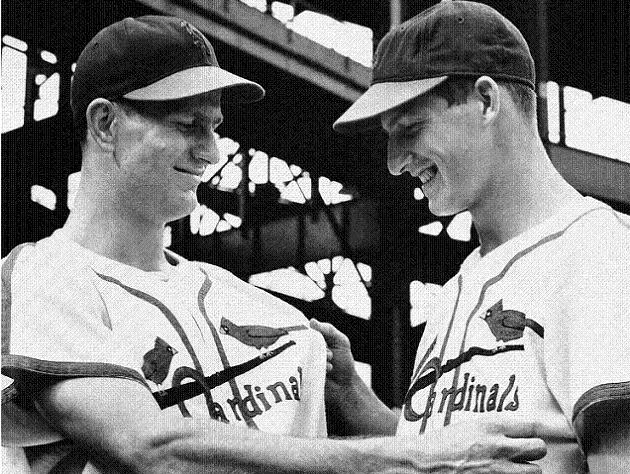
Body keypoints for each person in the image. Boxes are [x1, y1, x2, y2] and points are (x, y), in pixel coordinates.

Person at [1, 14, 548, 474]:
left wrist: (361, 403)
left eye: (214, 126)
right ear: (105, 124)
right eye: (188, 123)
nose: (210, 151)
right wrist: (408, 457)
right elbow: (150, 449)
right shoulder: (38, 280)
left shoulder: (265, 315)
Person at [312, 1, 630, 473]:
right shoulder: (461, 285)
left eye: (412, 128)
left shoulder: (596, 253)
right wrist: (358, 402)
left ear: (486, 101)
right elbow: (449, 452)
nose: (395, 161)